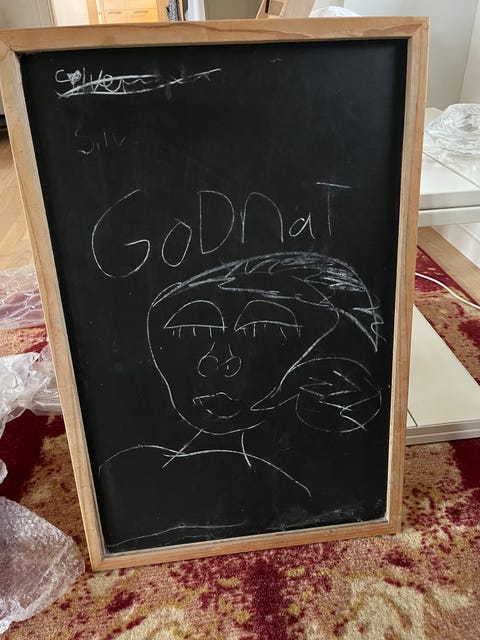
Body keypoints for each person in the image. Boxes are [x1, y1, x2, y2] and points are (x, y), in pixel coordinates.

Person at [99, 252, 384, 551]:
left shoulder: (317, 484)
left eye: (263, 329)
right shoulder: (131, 476)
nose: (219, 359)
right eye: (193, 330)